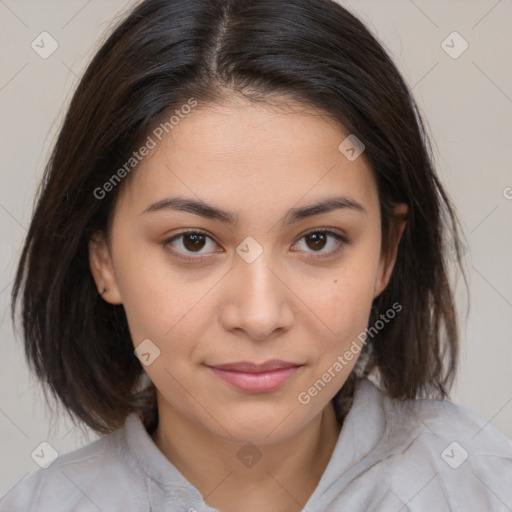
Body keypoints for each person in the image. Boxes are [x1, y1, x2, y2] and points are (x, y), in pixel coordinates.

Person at [4, 0, 512, 510]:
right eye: (193, 241)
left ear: (387, 252)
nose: (260, 315)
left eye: (318, 240)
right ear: (104, 260)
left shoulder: (483, 486)